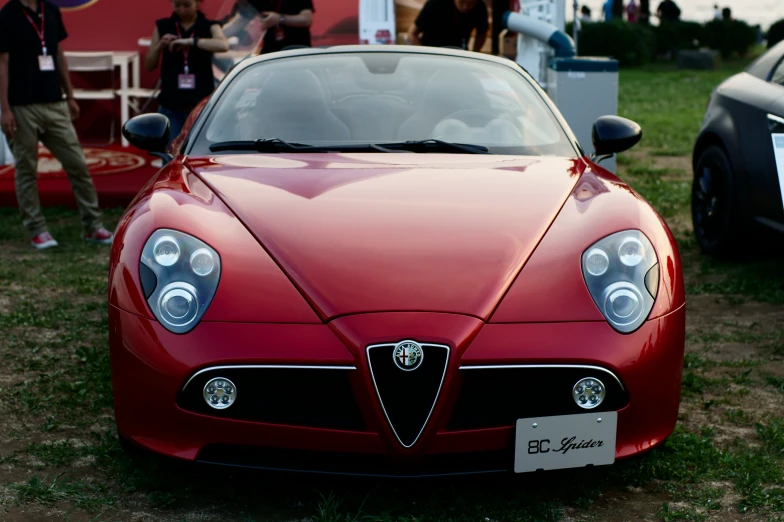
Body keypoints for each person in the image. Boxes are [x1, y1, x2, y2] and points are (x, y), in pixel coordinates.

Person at [0, 0, 114, 249]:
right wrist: (5, 109)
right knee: (27, 169)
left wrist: (70, 95)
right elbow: (3, 63)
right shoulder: (7, 14)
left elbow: (59, 53)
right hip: (21, 107)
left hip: (55, 103)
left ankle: (93, 225)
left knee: (77, 164)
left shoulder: (50, 10)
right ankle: (37, 229)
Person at [146, 0, 229, 143]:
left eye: (187, 5)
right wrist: (160, 45)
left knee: (199, 150)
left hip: (201, 102)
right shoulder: (163, 26)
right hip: (171, 102)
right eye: (177, 5)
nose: (182, 9)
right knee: (171, 150)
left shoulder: (210, 26)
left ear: (197, 3)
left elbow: (223, 45)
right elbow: (149, 65)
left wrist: (190, 42)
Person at [221, 0, 314, 55]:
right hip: (270, 51)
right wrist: (214, 38)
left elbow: (307, 19)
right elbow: (238, 23)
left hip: (297, 49)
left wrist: (280, 19)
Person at [408, 0, 488, 52]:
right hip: (432, 53)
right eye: (462, 2)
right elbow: (412, 34)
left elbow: (482, 32)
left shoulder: (479, 7)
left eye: (471, 4)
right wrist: (424, 54)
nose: (466, 7)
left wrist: (474, 53)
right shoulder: (435, 4)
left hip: (459, 53)